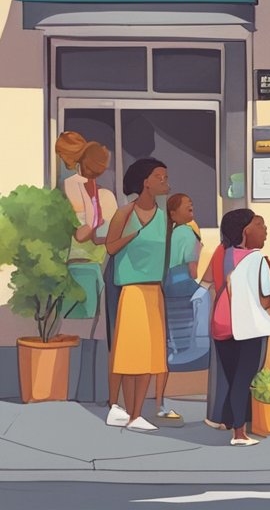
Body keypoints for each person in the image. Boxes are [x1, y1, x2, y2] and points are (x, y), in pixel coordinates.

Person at [54, 133, 119, 424]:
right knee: (83, 332)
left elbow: (99, 234)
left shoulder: (99, 194)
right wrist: (93, 218)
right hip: (81, 268)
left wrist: (94, 221)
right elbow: (84, 233)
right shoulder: (74, 188)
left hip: (91, 269)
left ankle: (82, 392)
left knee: (86, 332)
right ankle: (82, 392)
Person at [103, 158, 172, 433]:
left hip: (154, 289)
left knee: (150, 355)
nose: (166, 182)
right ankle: (119, 408)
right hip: (130, 289)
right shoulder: (125, 213)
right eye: (161, 177)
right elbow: (109, 248)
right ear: (146, 182)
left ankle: (136, 413)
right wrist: (131, 237)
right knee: (129, 352)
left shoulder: (164, 216)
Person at [203, 209, 270, 447]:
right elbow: (266, 298)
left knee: (232, 375)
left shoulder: (220, 252)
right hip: (246, 325)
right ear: (247, 231)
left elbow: (212, 282)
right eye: (260, 224)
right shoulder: (256, 259)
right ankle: (239, 433)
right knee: (243, 379)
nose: (265, 230)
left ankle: (226, 419)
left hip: (221, 322)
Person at [157, 193, 203, 424]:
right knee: (187, 344)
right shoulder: (186, 232)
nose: (191, 207)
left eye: (191, 204)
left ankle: (165, 402)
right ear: (173, 213)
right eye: (187, 206)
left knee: (171, 344)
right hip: (184, 287)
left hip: (168, 288)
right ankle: (181, 400)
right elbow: (193, 269)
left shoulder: (171, 233)